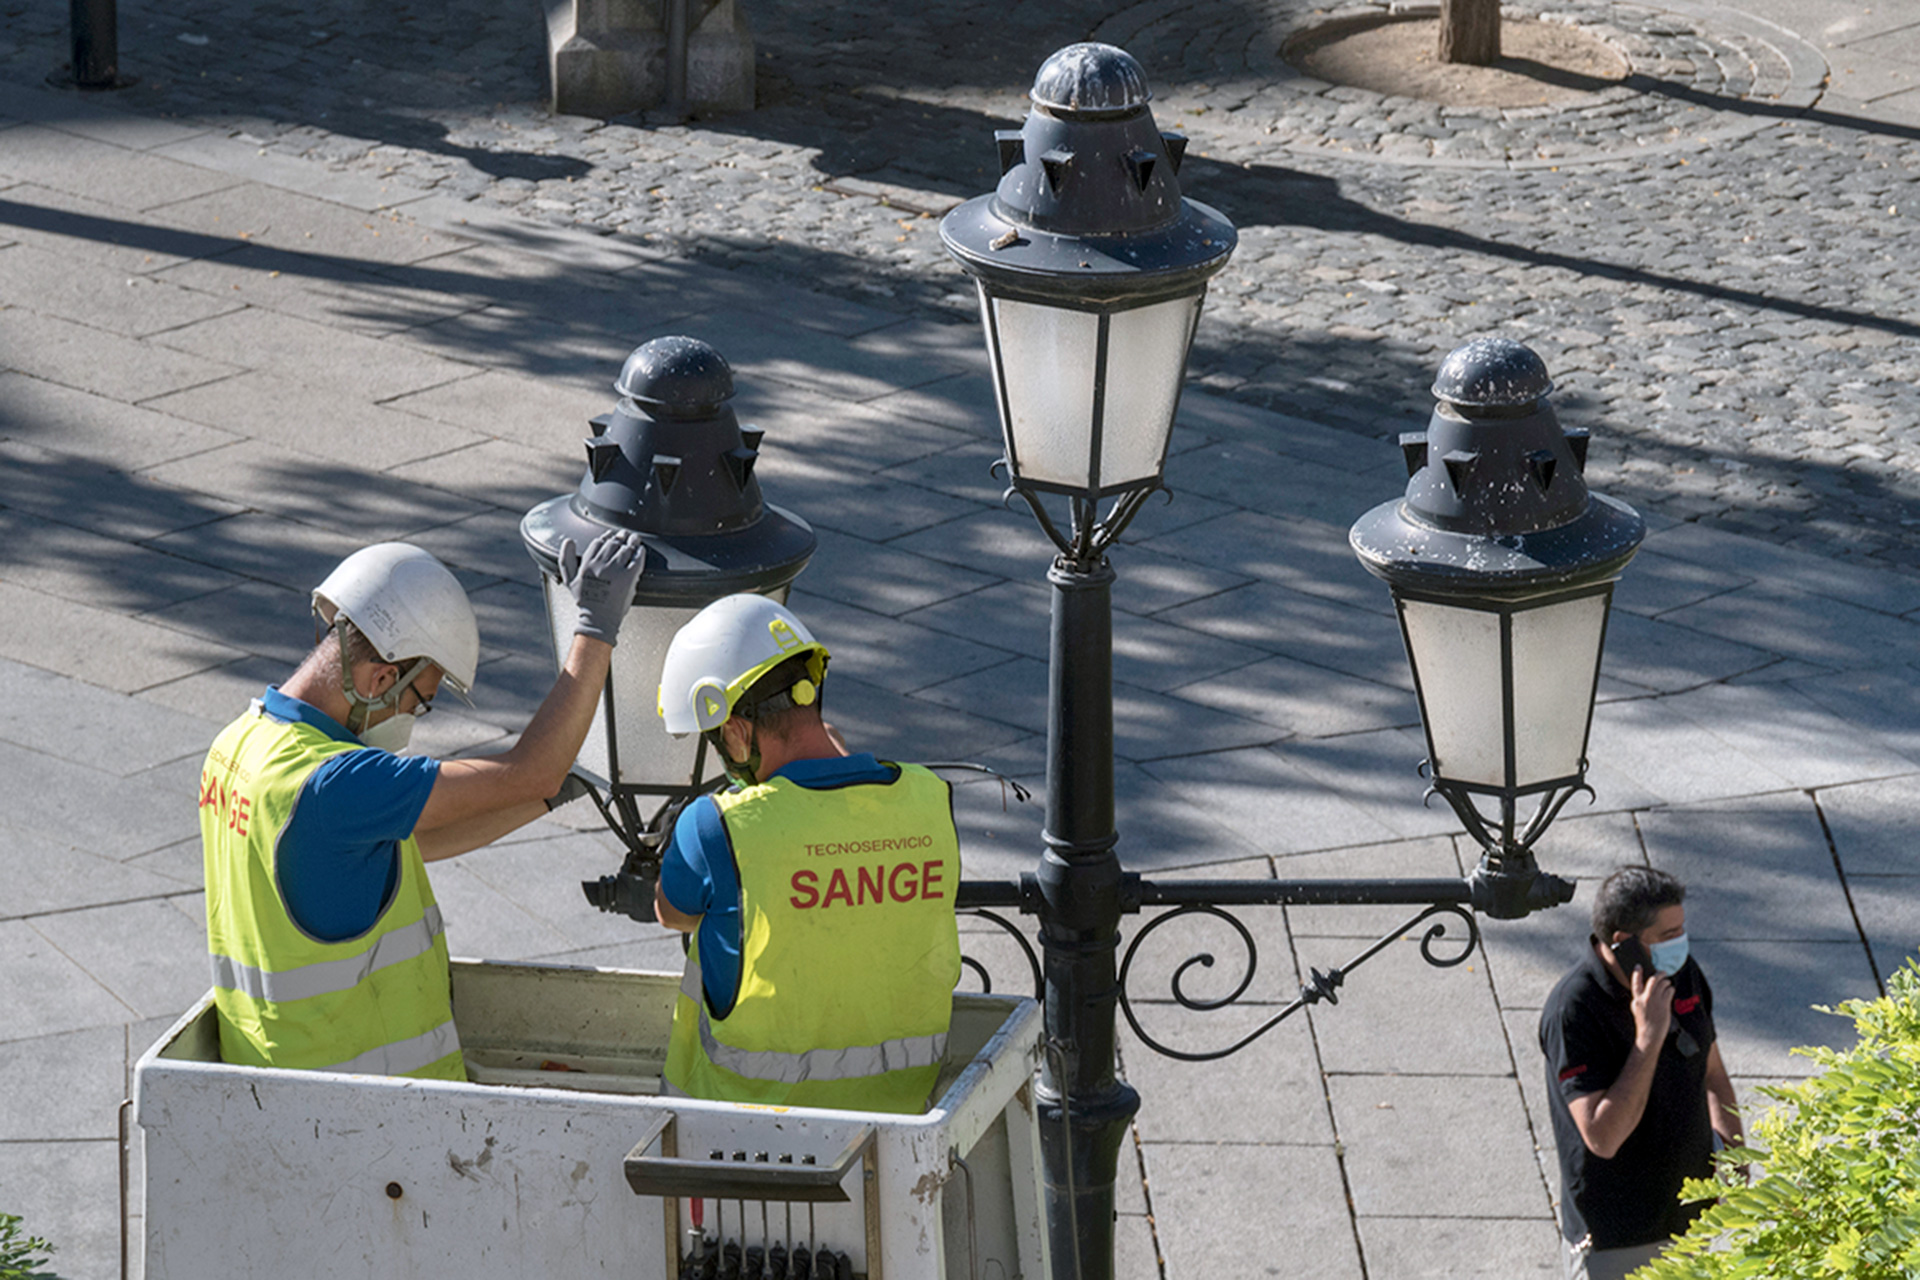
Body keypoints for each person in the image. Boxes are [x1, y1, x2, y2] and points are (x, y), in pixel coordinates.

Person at [197, 531, 646, 1081]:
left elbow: (417, 842)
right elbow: (530, 769)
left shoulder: (237, 745)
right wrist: (595, 626)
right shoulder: (337, 783)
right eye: (420, 702)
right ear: (382, 678)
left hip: (273, 1079)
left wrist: (559, 790)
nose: (412, 719)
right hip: (365, 1101)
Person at [651, 593, 962, 1113]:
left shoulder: (718, 826)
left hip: (738, 1134)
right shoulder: (928, 798)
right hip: (899, 1118)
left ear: (735, 730)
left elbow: (672, 913)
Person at [1538, 866, 1743, 1280]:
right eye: (1669, 935)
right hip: (1620, 1239)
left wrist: (1735, 1152)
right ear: (1624, 942)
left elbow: (1712, 1073)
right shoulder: (1573, 1010)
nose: (1681, 943)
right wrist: (1647, 1039)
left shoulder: (1681, 975)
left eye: (1681, 929)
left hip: (1691, 1218)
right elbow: (1603, 1137)